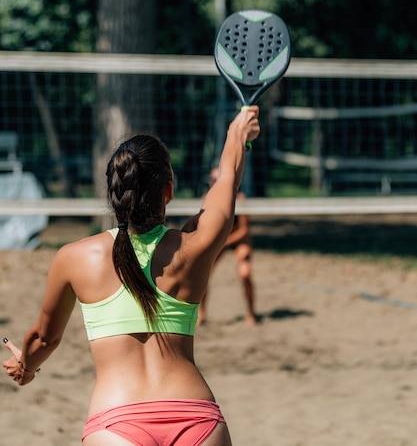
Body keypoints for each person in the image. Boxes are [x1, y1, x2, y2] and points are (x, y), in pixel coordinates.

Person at [2, 105, 260, 446]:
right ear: (168, 190)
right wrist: (236, 135)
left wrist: (27, 366)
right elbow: (227, 180)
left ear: (114, 193)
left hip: (117, 423)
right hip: (197, 420)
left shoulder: (74, 258)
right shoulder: (194, 247)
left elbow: (44, 339)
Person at [198, 167, 256, 326]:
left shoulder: (239, 198)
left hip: (237, 238)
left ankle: (251, 313)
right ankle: (201, 314)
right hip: (220, 239)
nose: (215, 183)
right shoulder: (206, 199)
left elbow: (244, 230)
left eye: (219, 180)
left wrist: (225, 241)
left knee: (245, 272)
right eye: (213, 180)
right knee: (203, 274)